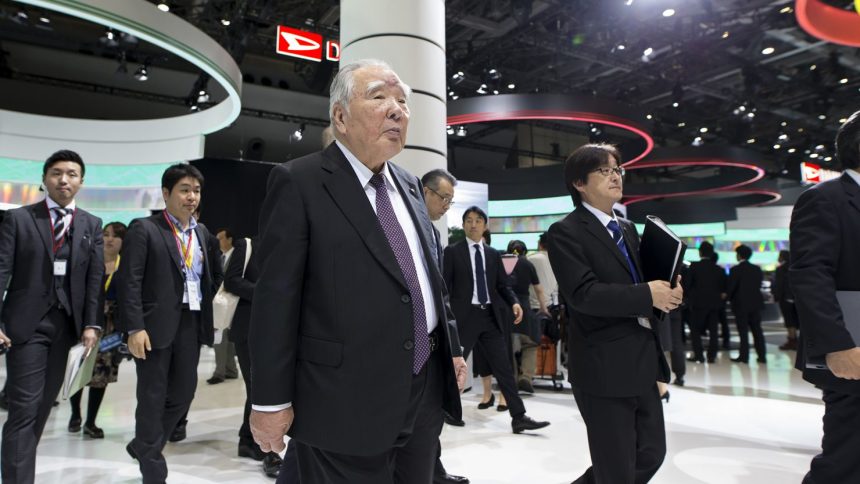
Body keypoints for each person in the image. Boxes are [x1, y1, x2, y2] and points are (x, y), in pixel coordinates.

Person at [248, 59, 467, 484]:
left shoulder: (408, 184)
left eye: (403, 101)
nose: (397, 110)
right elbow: (276, 300)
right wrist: (271, 402)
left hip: (423, 392)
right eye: (379, 97)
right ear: (340, 116)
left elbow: (428, 279)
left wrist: (452, 346)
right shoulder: (300, 182)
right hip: (342, 399)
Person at [545, 143, 680, 484]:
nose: (615, 176)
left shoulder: (628, 229)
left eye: (617, 169)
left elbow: (650, 282)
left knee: (651, 452)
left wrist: (670, 291)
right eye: (604, 170)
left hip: (642, 358)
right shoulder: (565, 232)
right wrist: (648, 293)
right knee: (616, 464)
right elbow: (584, 295)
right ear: (579, 183)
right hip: (602, 363)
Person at [0, 149, 104, 483]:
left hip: (68, 330)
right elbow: (1, 271)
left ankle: (20, 474)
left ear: (81, 182)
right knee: (24, 410)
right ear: (44, 179)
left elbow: (94, 280)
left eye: (72, 174)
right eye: (57, 173)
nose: (64, 179)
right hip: (26, 328)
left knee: (42, 409)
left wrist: (91, 324)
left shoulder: (91, 224)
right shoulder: (19, 219)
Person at [117, 163, 223, 484]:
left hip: (190, 324)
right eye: (184, 190)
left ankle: (143, 444)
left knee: (183, 393)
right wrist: (135, 327)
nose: (192, 197)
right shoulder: (144, 229)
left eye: (196, 190)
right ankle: (154, 472)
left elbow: (213, 275)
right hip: (152, 328)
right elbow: (129, 281)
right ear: (166, 194)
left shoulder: (201, 233)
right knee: (151, 398)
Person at [791, 110, 860, 484]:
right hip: (853, 350)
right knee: (846, 461)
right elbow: (810, 275)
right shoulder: (824, 199)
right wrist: (838, 346)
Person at [443, 206, 550, 433]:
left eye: (478, 220)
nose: (473, 224)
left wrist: (514, 302)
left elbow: (503, 285)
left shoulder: (493, 254)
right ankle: (449, 409)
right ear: (463, 225)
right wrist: (447, 316)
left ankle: (518, 416)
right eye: (469, 220)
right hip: (464, 318)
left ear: (485, 225)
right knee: (454, 367)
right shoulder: (452, 252)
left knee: (503, 367)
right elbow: (445, 287)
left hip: (489, 317)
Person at [420, 168, 470, 484]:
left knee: (431, 413)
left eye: (451, 201)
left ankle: (434, 471)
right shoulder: (398, 226)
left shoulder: (434, 234)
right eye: (444, 198)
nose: (447, 206)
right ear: (425, 191)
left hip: (434, 339)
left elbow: (441, 293)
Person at [222, 236, 284, 479]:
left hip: (279, 331)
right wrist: (264, 292)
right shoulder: (246, 245)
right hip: (248, 330)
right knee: (258, 387)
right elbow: (231, 280)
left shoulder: (288, 245)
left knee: (259, 387)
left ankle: (247, 440)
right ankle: (267, 450)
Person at [68, 221, 128, 439]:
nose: (110, 239)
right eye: (106, 234)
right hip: (86, 322)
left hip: (111, 328)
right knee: (78, 370)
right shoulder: (90, 261)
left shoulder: (126, 266)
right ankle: (75, 414)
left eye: (115, 236)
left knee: (101, 375)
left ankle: (91, 422)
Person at [506, 239, 549, 395]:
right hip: (524, 308)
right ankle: (526, 377)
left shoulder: (504, 262)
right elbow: (539, 290)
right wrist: (544, 308)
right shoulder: (528, 264)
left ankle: (511, 379)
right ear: (524, 251)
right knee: (530, 343)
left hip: (506, 309)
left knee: (507, 345)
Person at [685, 241, 727, 364]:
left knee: (695, 331)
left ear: (700, 252)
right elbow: (723, 288)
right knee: (713, 331)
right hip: (715, 304)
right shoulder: (719, 269)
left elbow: (687, 285)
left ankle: (699, 356)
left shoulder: (694, 266)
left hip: (698, 304)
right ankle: (712, 356)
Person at [208, 228, 239, 384]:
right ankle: (231, 370)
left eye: (220, 238)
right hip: (222, 304)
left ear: (229, 239)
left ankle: (219, 373)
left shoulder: (236, 256)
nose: (217, 241)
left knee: (220, 338)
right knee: (224, 338)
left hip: (232, 303)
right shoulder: (220, 257)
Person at [727, 244, 766, 364]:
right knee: (757, 331)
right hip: (755, 304)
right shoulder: (757, 269)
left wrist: (727, 297)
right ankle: (762, 356)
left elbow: (731, 288)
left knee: (743, 332)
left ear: (739, 255)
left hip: (740, 305)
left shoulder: (735, 270)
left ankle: (744, 357)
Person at [772, 249, 798, 350]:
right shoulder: (795, 267)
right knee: (796, 320)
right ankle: (797, 340)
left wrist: (776, 297)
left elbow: (779, 285)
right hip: (797, 298)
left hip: (785, 299)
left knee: (789, 321)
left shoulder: (781, 269)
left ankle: (792, 340)